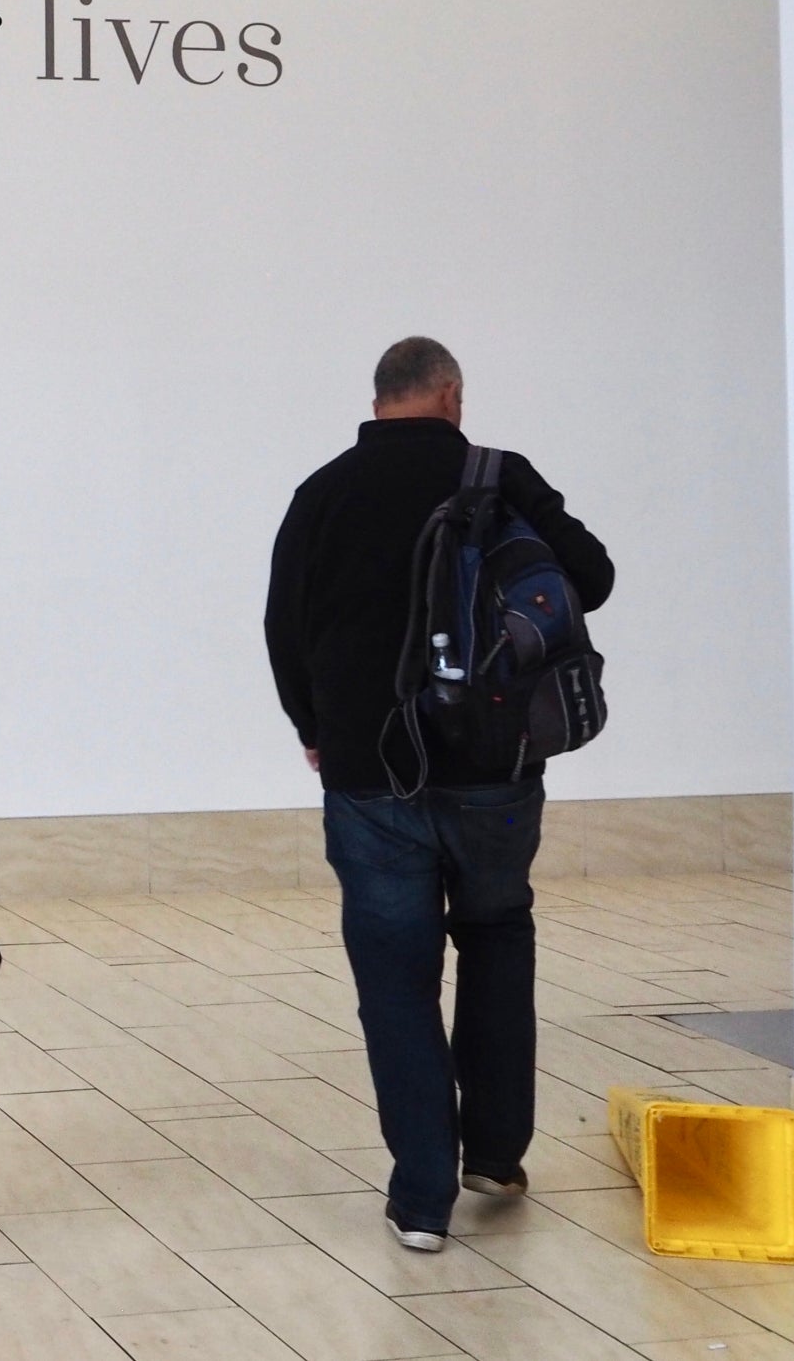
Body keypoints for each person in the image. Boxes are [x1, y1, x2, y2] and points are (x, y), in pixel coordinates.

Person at [264, 337, 613, 1253]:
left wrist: (316, 727)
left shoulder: (322, 492)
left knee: (394, 978)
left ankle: (421, 1200)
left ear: (379, 399)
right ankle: (494, 1156)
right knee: (497, 935)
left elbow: (281, 626)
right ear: (449, 394)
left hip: (369, 772)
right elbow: (594, 579)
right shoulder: (499, 477)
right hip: (494, 766)